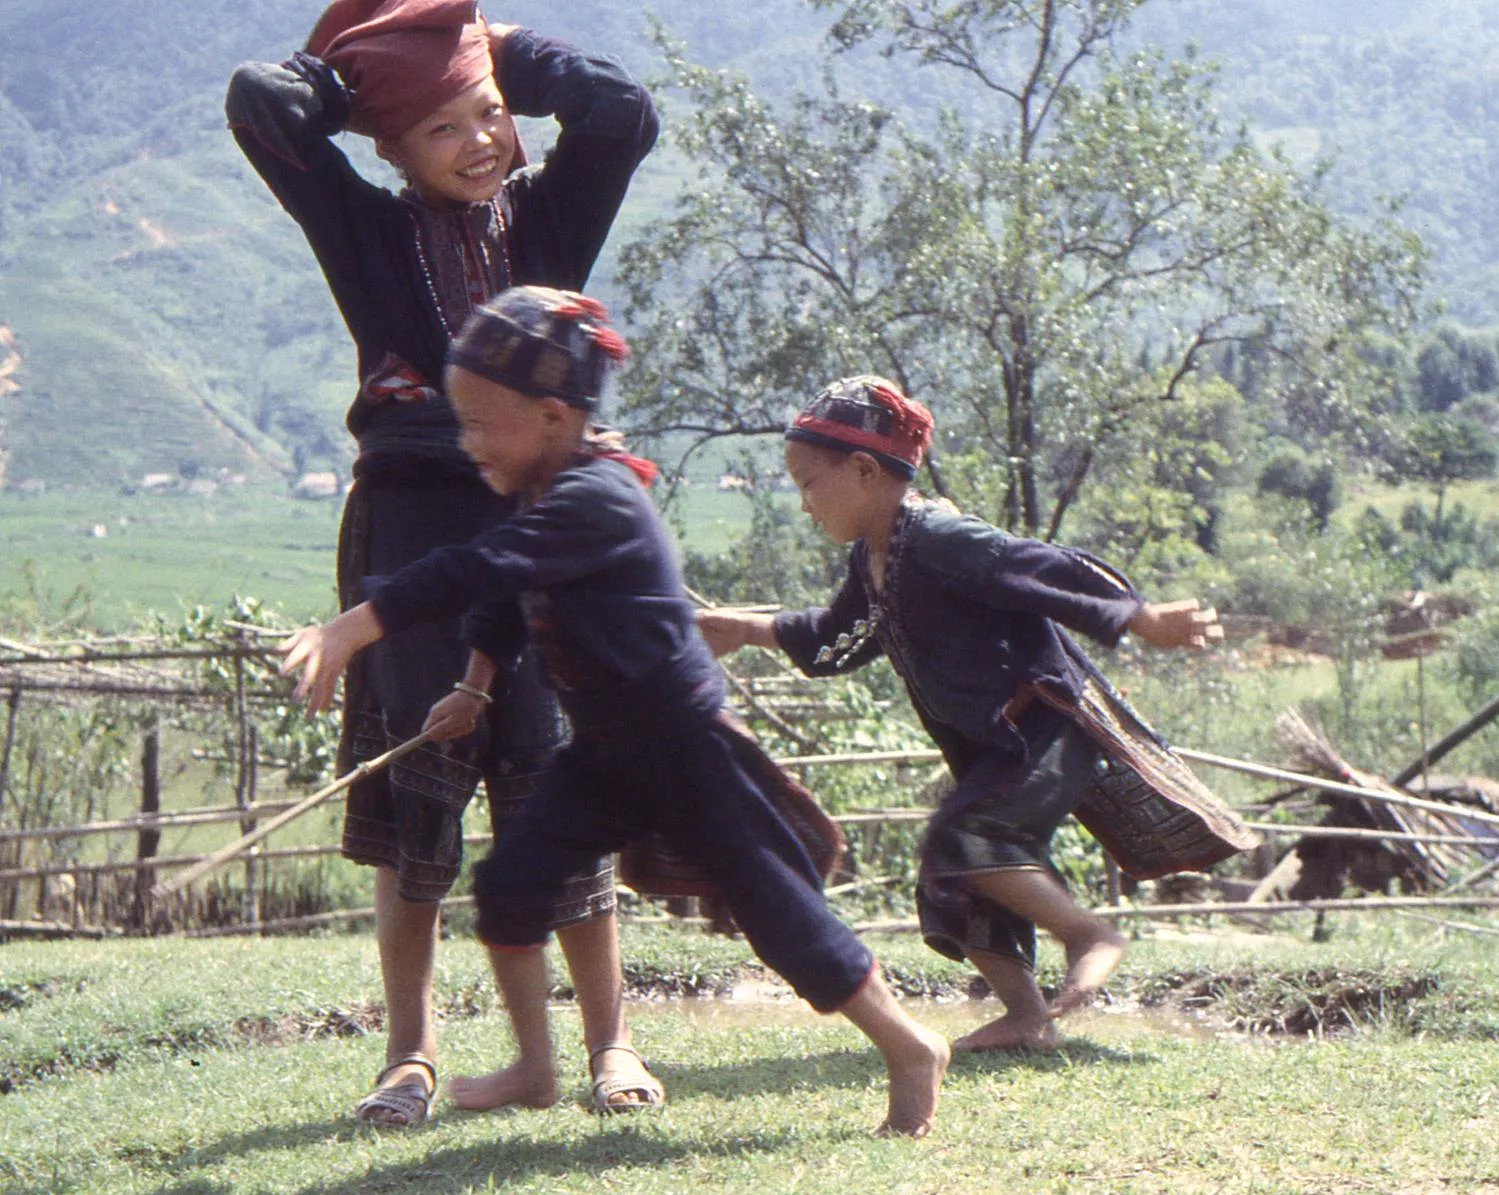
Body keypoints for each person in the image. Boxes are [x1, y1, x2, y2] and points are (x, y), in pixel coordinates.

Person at [281, 288, 951, 1136]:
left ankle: (908, 1045)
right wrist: (475, 686)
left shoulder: (593, 499)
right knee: (512, 886)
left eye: (483, 423)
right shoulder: (541, 491)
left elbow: (475, 567)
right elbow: (504, 598)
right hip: (603, 753)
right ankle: (535, 1063)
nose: (468, 441)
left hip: (685, 749)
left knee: (780, 915)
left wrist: (352, 625)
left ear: (554, 417)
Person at [227, 0, 662, 1123]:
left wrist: (510, 52)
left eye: (489, 114)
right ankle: (410, 1052)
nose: (477, 140)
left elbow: (620, 112)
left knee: (563, 771)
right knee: (417, 787)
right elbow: (259, 103)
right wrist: (361, 72)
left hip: (549, 531)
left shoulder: (549, 221)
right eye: (438, 127)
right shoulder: (363, 230)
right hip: (414, 531)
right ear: (388, 148)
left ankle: (610, 1041)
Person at [698, 376, 1258, 1053]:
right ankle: (1028, 1015)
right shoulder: (874, 562)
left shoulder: (939, 536)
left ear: (865, 470)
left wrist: (1139, 616)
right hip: (996, 746)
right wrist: (743, 627)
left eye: (808, 483)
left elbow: (1038, 566)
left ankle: (1088, 933)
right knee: (950, 874)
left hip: (1044, 727)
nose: (805, 504)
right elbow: (831, 640)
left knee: (967, 839)